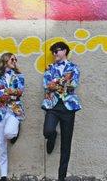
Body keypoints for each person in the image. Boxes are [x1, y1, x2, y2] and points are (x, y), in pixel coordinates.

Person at [42, 41, 81, 181]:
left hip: (68, 108)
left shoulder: (74, 67)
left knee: (66, 143)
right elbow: (47, 85)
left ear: (65, 51)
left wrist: (56, 82)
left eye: (56, 50)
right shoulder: (50, 67)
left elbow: (73, 84)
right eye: (53, 51)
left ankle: (61, 177)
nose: (54, 53)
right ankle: (52, 136)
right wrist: (63, 80)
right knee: (47, 130)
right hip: (52, 106)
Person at [0, 52, 25, 181]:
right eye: (12, 59)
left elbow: (20, 92)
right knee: (1, 145)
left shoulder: (19, 76)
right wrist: (10, 93)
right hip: (0, 112)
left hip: (14, 111)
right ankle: (3, 175)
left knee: (9, 133)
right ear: (5, 60)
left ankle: (15, 130)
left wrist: (5, 92)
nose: (15, 61)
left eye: (16, 59)